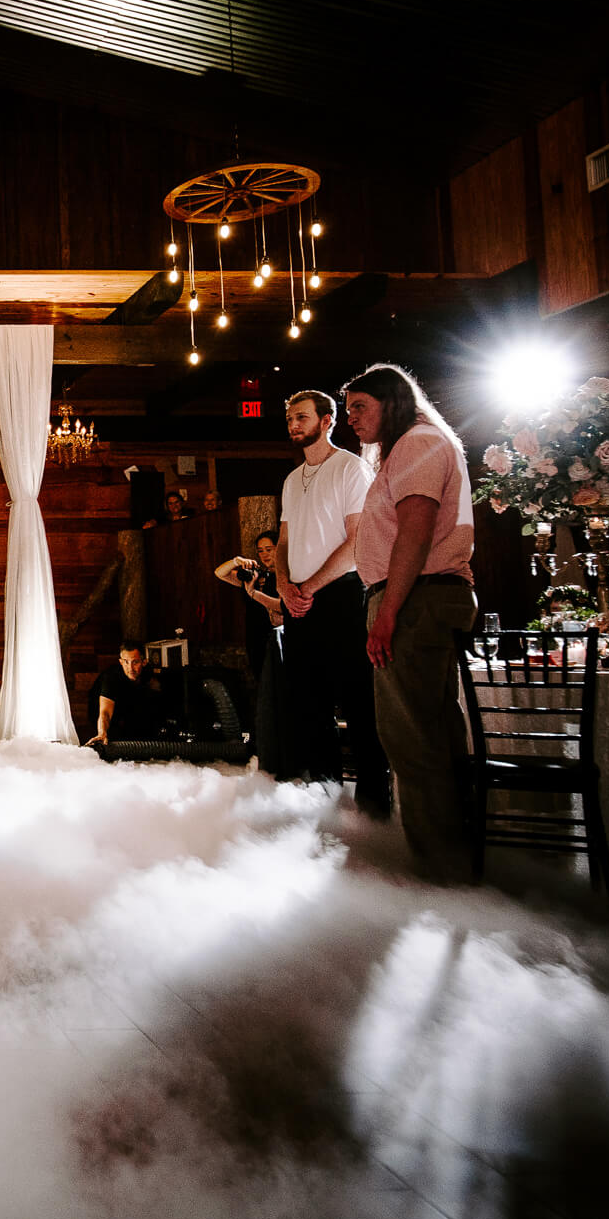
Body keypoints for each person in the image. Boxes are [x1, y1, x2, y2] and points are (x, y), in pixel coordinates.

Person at [343, 364, 477, 882]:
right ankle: (448, 858)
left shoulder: (419, 444)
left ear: (392, 402)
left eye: (360, 407)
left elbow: (416, 533)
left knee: (412, 738)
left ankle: (436, 868)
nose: (351, 419)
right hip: (418, 598)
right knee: (431, 732)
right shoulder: (414, 446)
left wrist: (389, 613)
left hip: (415, 600)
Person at [276, 388, 391, 817]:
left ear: (328, 420)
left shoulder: (350, 469)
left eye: (301, 417)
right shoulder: (290, 480)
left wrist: (311, 586)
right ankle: (324, 798)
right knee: (309, 703)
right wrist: (285, 583)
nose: (293, 425)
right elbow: (284, 540)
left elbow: (357, 540)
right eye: (290, 418)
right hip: (299, 600)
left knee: (358, 700)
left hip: (341, 596)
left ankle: (374, 804)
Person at [214, 532, 290, 775]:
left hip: (280, 640)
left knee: (283, 691)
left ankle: (286, 750)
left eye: (269, 548)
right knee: (263, 689)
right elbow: (219, 573)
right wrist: (237, 561)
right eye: (260, 550)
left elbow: (283, 608)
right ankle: (268, 750)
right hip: (256, 640)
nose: (265, 554)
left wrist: (255, 594)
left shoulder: (287, 575)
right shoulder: (255, 576)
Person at [84, 641, 180, 754]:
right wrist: (102, 733)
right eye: (126, 662)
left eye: (135, 662)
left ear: (144, 662)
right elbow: (105, 712)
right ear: (120, 661)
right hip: (102, 712)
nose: (130, 668)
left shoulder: (147, 672)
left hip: (129, 706)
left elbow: (158, 689)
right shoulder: (110, 678)